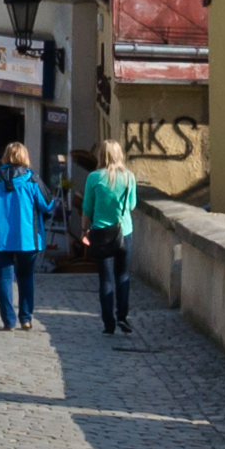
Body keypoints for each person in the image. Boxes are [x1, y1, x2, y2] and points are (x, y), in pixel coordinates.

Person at [0, 141, 51, 328]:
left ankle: (8, 321)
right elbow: (47, 203)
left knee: (4, 278)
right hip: (27, 239)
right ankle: (26, 318)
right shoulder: (31, 180)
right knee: (26, 276)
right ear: (25, 156)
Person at [81, 134, 141, 337]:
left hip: (101, 233)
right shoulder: (129, 177)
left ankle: (109, 323)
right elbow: (132, 205)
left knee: (105, 279)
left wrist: (84, 230)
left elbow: (87, 208)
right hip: (124, 232)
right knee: (123, 276)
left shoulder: (94, 178)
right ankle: (123, 316)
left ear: (101, 156)